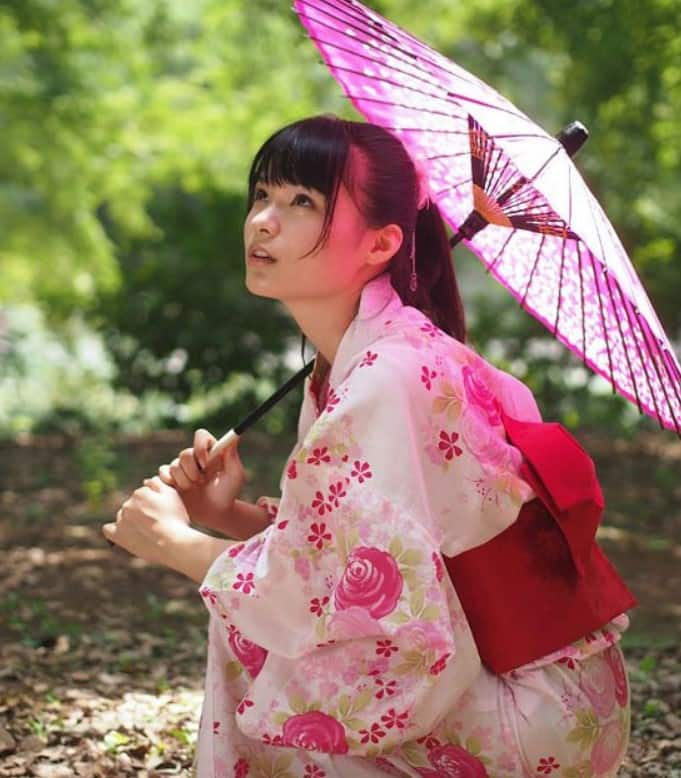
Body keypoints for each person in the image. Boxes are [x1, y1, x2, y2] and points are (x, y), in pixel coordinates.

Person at [103, 115, 636, 778]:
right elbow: (354, 552)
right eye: (263, 194)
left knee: (260, 637)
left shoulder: (387, 377)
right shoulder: (361, 362)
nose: (263, 221)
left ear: (382, 243)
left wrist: (177, 546)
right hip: (539, 687)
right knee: (262, 631)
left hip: (527, 707)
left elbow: (365, 605)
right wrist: (226, 518)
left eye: (304, 203)